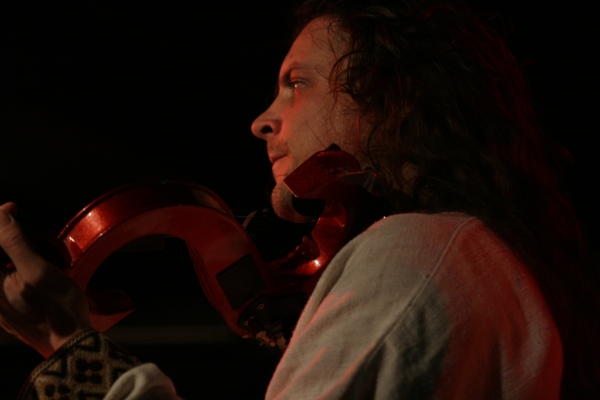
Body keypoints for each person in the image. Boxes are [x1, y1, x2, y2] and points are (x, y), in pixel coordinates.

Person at [0, 0, 598, 398]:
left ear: (390, 98)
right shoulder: (474, 259)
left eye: (297, 84)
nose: (263, 121)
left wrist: (67, 346)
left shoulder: (415, 252)